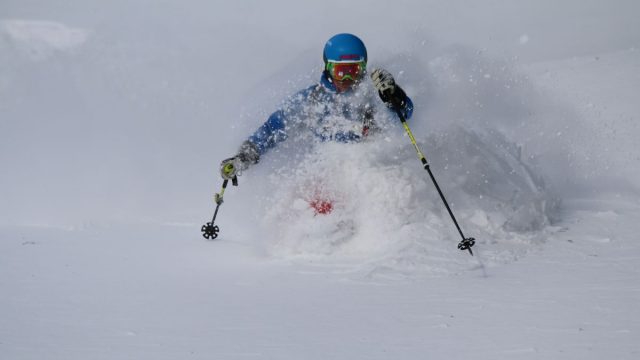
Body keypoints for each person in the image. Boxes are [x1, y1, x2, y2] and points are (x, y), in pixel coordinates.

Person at [219, 33, 414, 182]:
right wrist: (246, 155)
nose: (347, 79)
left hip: (371, 168)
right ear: (328, 67)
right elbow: (273, 129)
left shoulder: (374, 94)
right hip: (329, 173)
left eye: (354, 71)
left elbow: (404, 117)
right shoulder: (312, 100)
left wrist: (394, 95)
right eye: (341, 71)